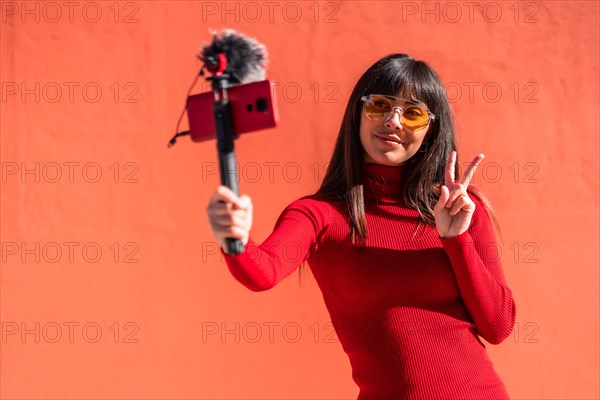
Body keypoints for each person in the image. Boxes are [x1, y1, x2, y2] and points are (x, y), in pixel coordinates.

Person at [206, 53, 517, 399]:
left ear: (430, 130)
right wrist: (234, 238)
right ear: (358, 113)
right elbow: (261, 272)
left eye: (412, 113)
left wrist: (456, 239)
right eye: (380, 106)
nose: (394, 121)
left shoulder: (459, 208)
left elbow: (498, 326)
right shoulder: (320, 215)